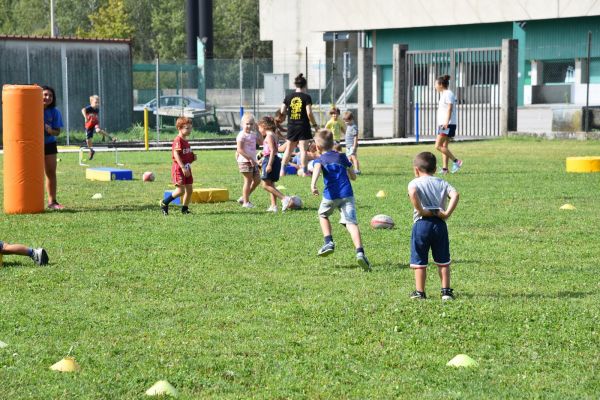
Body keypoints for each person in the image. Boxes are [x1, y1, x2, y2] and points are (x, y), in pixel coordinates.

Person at [310, 129, 371, 271]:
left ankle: (328, 242)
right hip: (347, 194)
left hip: (330, 196)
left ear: (318, 147)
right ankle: (360, 252)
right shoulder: (342, 156)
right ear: (333, 144)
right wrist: (352, 175)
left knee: (323, 215)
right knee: (351, 224)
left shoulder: (319, 160)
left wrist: (313, 185)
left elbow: (317, 170)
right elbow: (353, 175)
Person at [408, 151, 460, 300]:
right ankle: (446, 292)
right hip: (439, 224)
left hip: (421, 224)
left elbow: (412, 193)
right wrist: (447, 213)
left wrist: (422, 210)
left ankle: (420, 292)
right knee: (443, 260)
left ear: (416, 169)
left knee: (419, 261)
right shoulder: (442, 182)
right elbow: (455, 194)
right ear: (435, 168)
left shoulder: (414, 182)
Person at [280, 73, 319, 177]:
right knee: (303, 149)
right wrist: (315, 125)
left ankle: (282, 171)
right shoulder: (306, 97)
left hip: (292, 126)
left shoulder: (288, 97)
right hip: (303, 126)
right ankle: (305, 172)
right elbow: (309, 113)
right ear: (305, 85)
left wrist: (288, 113)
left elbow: (282, 110)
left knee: (288, 149)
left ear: (295, 85)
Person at [160, 117, 197, 215]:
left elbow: (185, 155)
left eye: (190, 128)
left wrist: (192, 157)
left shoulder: (186, 141)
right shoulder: (178, 140)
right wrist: (183, 167)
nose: (189, 130)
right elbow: (176, 154)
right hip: (179, 168)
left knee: (189, 190)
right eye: (187, 128)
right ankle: (165, 202)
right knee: (181, 190)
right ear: (179, 128)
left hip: (187, 167)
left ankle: (184, 209)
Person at [257, 116, 292, 212]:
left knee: (265, 185)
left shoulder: (269, 136)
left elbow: (272, 151)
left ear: (264, 126)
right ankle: (273, 206)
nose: (259, 131)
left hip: (270, 160)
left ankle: (284, 198)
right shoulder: (274, 134)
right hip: (273, 159)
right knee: (271, 183)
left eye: (259, 128)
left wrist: (269, 164)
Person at [434, 75, 462, 174]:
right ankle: (445, 169)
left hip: (446, 124)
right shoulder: (444, 94)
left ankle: (456, 161)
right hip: (445, 124)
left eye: (435, 84)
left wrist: (446, 122)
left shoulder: (448, 94)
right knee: (444, 146)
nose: (435, 86)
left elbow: (450, 108)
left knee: (437, 146)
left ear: (441, 84)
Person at [42, 85, 65, 210]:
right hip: (33, 145)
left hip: (49, 144)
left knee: (51, 172)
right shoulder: (32, 108)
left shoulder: (55, 112)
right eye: (45, 94)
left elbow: (57, 132)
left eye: (50, 95)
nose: (47, 97)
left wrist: (50, 130)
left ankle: (52, 202)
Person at [236, 113, 261, 208]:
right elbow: (239, 149)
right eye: (247, 124)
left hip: (253, 161)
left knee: (257, 180)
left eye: (251, 124)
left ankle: (244, 197)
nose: (249, 126)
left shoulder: (253, 134)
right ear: (242, 124)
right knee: (248, 181)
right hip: (244, 161)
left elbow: (261, 142)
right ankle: (246, 202)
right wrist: (249, 158)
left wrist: (258, 130)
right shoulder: (241, 135)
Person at [81, 95, 115, 161]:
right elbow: (83, 110)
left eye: (98, 102)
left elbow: (95, 116)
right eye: (96, 102)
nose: (97, 104)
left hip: (95, 122)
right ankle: (91, 150)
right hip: (89, 125)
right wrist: (85, 117)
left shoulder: (97, 110)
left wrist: (95, 121)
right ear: (91, 102)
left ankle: (110, 137)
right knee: (88, 139)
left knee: (98, 130)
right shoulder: (89, 108)